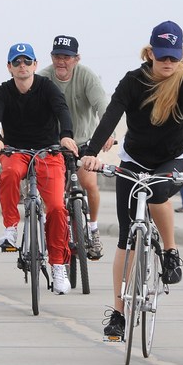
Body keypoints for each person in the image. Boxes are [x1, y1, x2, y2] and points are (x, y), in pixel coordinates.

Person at [81, 21, 183, 338]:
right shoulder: (133, 81)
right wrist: (93, 151)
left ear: (181, 56)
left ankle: (170, 249)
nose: (167, 63)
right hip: (134, 159)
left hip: (172, 158)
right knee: (126, 236)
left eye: (173, 58)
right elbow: (111, 114)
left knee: (157, 192)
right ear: (150, 53)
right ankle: (119, 314)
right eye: (161, 56)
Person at [0, 43, 79, 295]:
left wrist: (67, 136)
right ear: (9, 67)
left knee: (58, 208)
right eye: (17, 62)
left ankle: (58, 265)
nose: (22, 66)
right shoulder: (2, 92)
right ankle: (10, 229)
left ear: (36, 65)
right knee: (9, 174)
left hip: (48, 152)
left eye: (27, 62)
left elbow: (62, 110)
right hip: (15, 151)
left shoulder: (47, 88)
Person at [38, 35, 115, 260]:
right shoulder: (43, 77)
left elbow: (102, 105)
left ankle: (93, 229)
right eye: (57, 56)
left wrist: (108, 132)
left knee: (88, 183)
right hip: (54, 143)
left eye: (67, 57)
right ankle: (55, 231)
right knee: (54, 192)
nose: (61, 62)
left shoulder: (87, 76)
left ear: (76, 58)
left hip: (84, 142)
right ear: (51, 57)